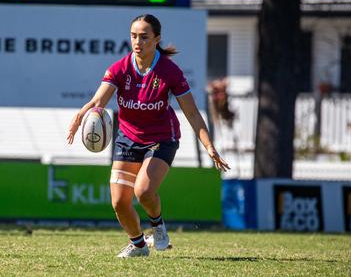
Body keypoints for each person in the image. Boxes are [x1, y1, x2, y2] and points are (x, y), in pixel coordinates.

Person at [67, 14, 230, 258]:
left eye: (144, 37)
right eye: (134, 36)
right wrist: (81, 115)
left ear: (156, 39)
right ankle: (139, 245)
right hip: (128, 138)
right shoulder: (120, 68)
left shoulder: (169, 72)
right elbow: (98, 101)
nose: (138, 41)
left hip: (162, 139)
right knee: (119, 202)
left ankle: (158, 226)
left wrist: (209, 146)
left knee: (143, 191)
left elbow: (193, 114)